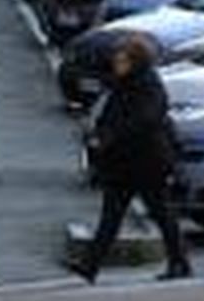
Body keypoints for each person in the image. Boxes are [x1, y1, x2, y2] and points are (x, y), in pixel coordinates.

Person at [68, 34, 191, 283]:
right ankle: (89, 266)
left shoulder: (148, 86)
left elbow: (144, 121)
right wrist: (101, 135)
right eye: (117, 58)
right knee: (112, 216)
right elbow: (113, 115)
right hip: (123, 163)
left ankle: (179, 263)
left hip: (147, 163)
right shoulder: (123, 83)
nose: (117, 63)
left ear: (135, 61)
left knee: (161, 213)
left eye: (122, 59)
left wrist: (110, 136)